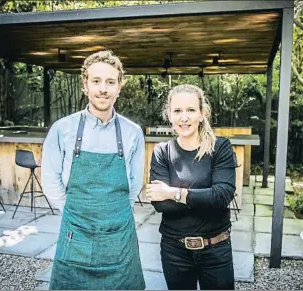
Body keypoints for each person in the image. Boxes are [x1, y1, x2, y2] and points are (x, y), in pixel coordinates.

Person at [41, 50, 145, 290]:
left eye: (110, 82)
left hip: (119, 236)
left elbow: (134, 184)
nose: (103, 89)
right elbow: (49, 179)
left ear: (119, 86)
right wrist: (75, 212)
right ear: (85, 85)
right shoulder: (62, 129)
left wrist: (116, 215)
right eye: (96, 81)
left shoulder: (132, 133)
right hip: (76, 233)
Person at [146, 84, 236, 290]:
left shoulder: (220, 147)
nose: (183, 117)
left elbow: (222, 196)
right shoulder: (162, 151)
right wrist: (204, 196)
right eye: (177, 111)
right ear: (169, 115)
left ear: (202, 114)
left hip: (216, 248)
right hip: (174, 251)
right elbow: (160, 205)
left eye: (190, 110)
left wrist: (173, 193)